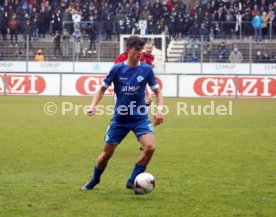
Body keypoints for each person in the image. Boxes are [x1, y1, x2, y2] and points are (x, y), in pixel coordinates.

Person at [82, 36, 164, 192]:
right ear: (129, 50)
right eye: (136, 50)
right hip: (120, 118)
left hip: (139, 117)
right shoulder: (117, 69)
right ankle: (95, 179)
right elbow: (102, 88)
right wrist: (93, 106)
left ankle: (133, 180)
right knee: (106, 155)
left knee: (150, 147)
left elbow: (158, 91)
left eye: (141, 50)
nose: (139, 53)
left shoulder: (146, 70)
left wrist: (159, 110)